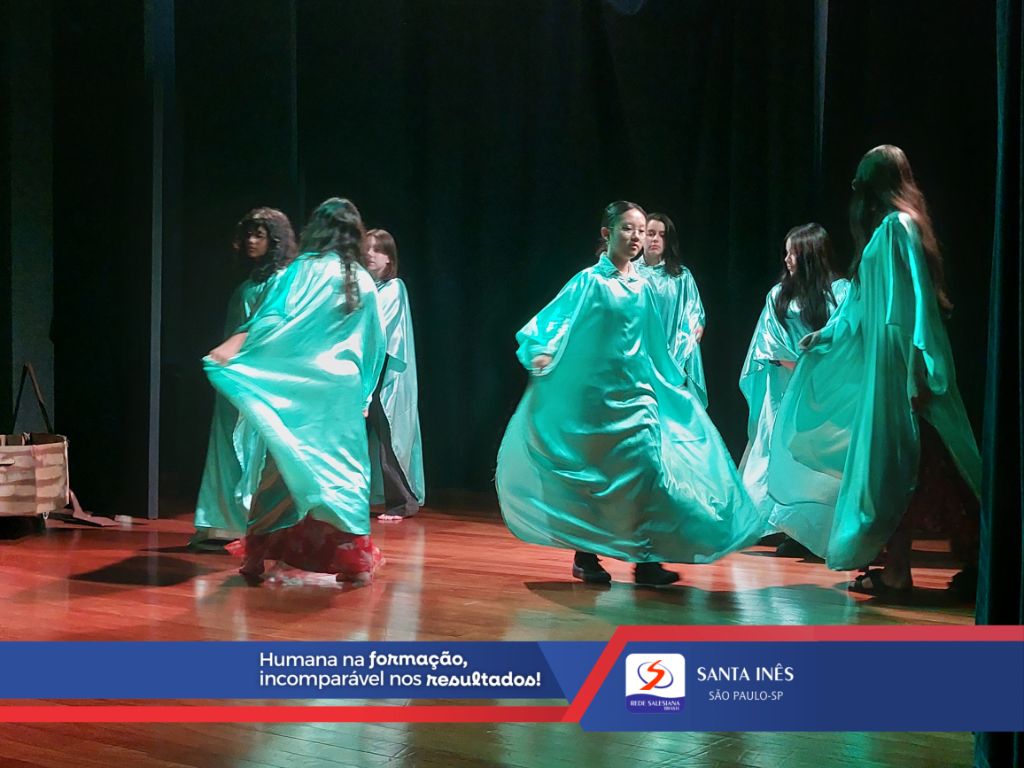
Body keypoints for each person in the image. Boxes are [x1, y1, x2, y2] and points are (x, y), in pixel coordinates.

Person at [496, 201, 761, 587]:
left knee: (649, 472)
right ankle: (586, 554)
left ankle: (646, 559)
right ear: (607, 234)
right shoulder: (589, 282)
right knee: (597, 478)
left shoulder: (642, 286)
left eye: (640, 230)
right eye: (627, 229)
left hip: (638, 397)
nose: (636, 237)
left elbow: (654, 342)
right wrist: (542, 352)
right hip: (596, 401)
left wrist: (671, 381)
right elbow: (552, 322)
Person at [767, 146, 981, 595]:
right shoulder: (887, 232)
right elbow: (860, 307)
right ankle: (905, 568)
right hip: (889, 370)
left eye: (861, 180)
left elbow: (913, 303)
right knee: (898, 467)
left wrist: (916, 368)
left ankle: (951, 566)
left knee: (922, 464)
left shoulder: (897, 228)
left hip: (901, 370)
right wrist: (825, 337)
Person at [205, 197, 387, 585]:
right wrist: (366, 395)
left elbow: (269, 319)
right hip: (340, 393)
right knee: (343, 474)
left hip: (298, 390)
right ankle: (352, 563)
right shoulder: (361, 280)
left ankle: (256, 557)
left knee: (283, 469)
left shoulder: (299, 272)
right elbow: (374, 342)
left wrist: (239, 351)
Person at [737, 223, 848, 554]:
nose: (787, 259)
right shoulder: (779, 295)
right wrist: (799, 367)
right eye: (786, 253)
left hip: (824, 391)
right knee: (778, 452)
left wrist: (815, 369)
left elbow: (844, 338)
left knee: (817, 460)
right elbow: (769, 342)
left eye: (793, 253)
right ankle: (783, 527)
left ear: (811, 255)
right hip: (784, 389)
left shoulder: (841, 292)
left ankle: (814, 533)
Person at [191, 207, 296, 549]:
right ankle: (221, 524)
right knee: (226, 445)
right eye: (248, 234)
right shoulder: (247, 285)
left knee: (257, 448)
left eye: (259, 235)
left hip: (259, 379)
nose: (251, 241)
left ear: (274, 240)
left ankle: (255, 523)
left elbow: (269, 327)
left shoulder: (282, 281)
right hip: (232, 378)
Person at [363, 228, 425, 520]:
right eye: (366, 248)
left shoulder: (393, 288)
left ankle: (403, 501)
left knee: (390, 438)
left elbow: (378, 333)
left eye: (377, 249)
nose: (370, 254)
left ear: (389, 258)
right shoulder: (365, 290)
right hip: (363, 372)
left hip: (383, 375)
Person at [635, 212, 708, 406]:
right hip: (637, 360)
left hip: (673, 360)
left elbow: (694, 314)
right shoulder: (629, 273)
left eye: (662, 235)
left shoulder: (681, 276)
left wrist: (690, 339)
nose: (655, 239)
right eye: (650, 233)